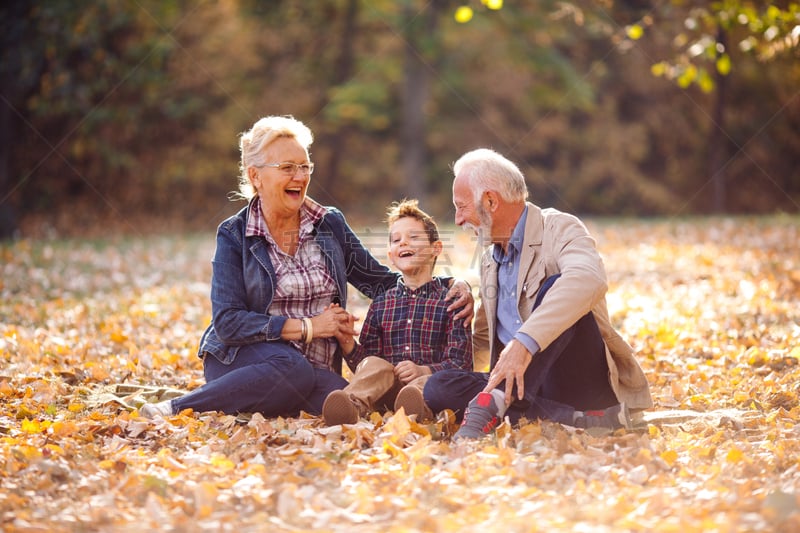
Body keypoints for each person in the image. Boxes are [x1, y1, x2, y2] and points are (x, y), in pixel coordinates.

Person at [139, 116, 473, 420]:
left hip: (312, 368)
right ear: (255, 175)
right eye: (287, 167)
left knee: (345, 400)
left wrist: (453, 287)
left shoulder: (329, 224)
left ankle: (260, 401)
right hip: (241, 359)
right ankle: (178, 406)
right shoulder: (234, 234)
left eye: (305, 166)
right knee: (291, 368)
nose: (300, 176)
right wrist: (309, 327)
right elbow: (228, 323)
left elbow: (381, 283)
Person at [423, 148, 653, 439]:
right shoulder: (489, 259)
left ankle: (493, 405)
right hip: (521, 387)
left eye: (461, 206)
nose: (457, 219)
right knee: (439, 386)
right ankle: (579, 421)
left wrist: (524, 344)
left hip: (576, 378)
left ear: (491, 201)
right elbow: (482, 342)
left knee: (554, 287)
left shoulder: (559, 227)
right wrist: (428, 361)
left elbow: (589, 278)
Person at [321, 199, 473, 425]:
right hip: (387, 393)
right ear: (391, 255)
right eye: (396, 240)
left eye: (413, 237)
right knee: (375, 365)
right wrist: (348, 345)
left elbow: (461, 364)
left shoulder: (450, 301)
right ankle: (350, 405)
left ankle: (417, 407)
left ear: (436, 249)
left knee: (429, 384)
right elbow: (368, 365)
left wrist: (423, 370)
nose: (404, 243)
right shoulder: (382, 303)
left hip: (429, 390)